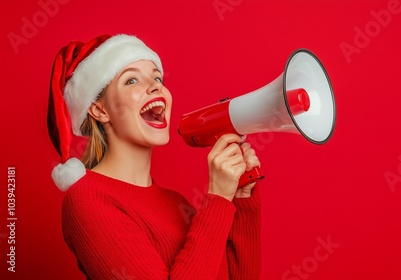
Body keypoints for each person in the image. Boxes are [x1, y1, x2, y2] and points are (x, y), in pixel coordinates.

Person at [47, 34, 262, 279]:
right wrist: (218, 198)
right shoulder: (86, 199)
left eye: (157, 77)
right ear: (100, 110)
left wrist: (241, 202)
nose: (156, 85)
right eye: (131, 80)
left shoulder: (176, 203)